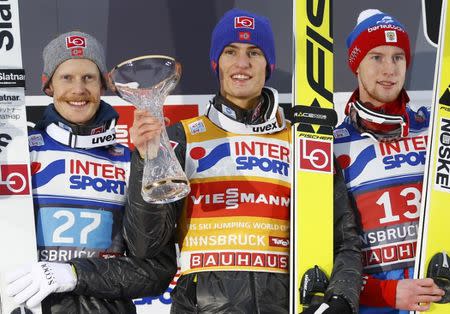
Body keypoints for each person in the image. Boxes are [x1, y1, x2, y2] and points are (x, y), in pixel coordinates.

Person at [124, 8, 362, 314]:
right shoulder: (180, 138)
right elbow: (146, 245)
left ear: (269, 64)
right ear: (216, 63)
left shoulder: (303, 142)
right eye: (230, 52)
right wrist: (146, 159)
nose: (242, 64)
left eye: (254, 52)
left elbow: (344, 238)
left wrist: (341, 299)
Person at [5, 31, 176, 313]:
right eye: (66, 78)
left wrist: (74, 274)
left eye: (88, 78)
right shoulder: (19, 155)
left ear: (103, 85)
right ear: (47, 86)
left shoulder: (131, 161)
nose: (78, 89)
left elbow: (155, 270)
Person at [333, 9, 446, 314]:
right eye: (377, 57)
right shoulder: (332, 144)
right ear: (356, 64)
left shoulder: (436, 131)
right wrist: (385, 293)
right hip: (376, 306)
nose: (390, 69)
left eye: (398, 57)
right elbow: (327, 252)